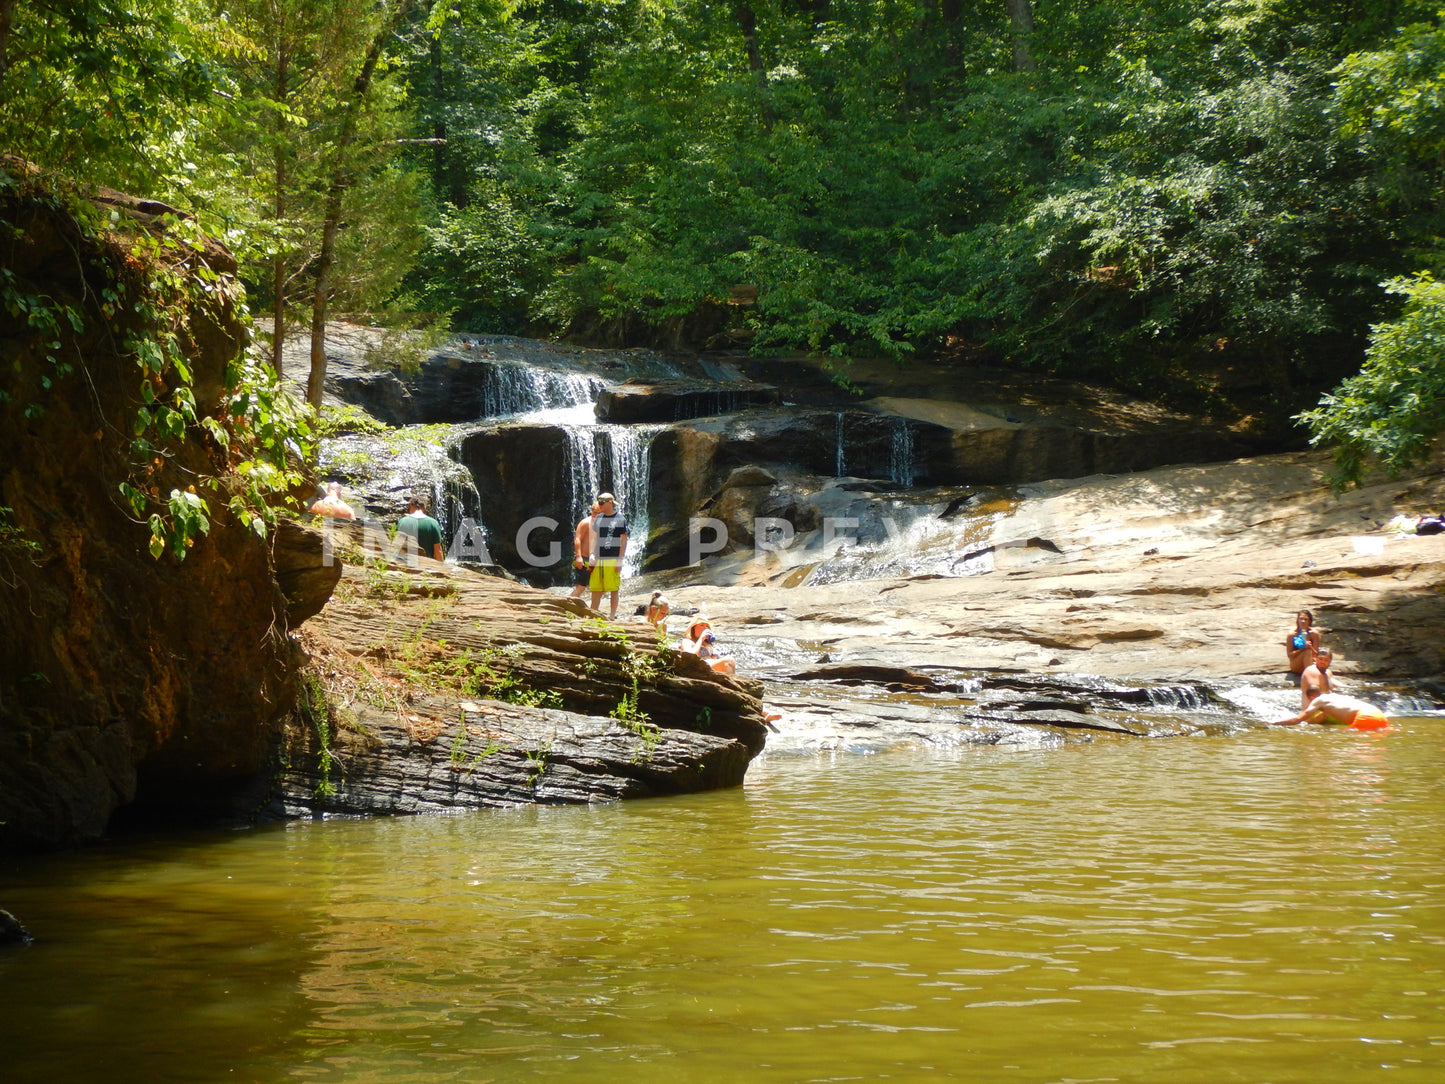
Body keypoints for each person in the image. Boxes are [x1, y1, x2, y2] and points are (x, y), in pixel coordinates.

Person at [588, 492, 628, 620]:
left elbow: (623, 540)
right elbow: (593, 538)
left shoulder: (620, 519)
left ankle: (611, 616)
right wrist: (591, 554)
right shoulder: (599, 517)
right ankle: (593, 613)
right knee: (595, 588)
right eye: (598, 503)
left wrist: (620, 560)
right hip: (598, 557)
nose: (599, 505)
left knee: (613, 588)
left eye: (602, 503)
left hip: (612, 557)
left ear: (610, 503)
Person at [1275, 692, 1390, 730]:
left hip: (1364, 716)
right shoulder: (1334, 697)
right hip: (1378, 714)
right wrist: (1308, 723)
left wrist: (1273, 723)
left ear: (1311, 698)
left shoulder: (1318, 700)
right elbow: (1321, 717)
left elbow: (1297, 719)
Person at [396, 496, 444, 561]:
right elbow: (438, 550)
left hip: (407, 566)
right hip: (427, 566)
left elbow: (398, 547)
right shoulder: (433, 523)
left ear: (411, 505)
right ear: (424, 508)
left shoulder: (402, 522)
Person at [567, 502, 600, 599]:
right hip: (584, 558)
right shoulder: (585, 523)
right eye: (594, 512)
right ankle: (567, 605)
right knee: (581, 587)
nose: (596, 515)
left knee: (597, 587)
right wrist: (578, 556)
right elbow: (577, 539)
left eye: (598, 513)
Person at [1284, 610, 1321, 684]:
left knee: (1310, 653)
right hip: (1296, 664)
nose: (1303, 621)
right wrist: (1303, 649)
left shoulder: (1314, 634)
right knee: (1307, 651)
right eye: (1300, 619)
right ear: (1297, 620)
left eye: (1305, 619)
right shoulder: (1292, 634)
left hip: (1310, 662)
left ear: (1309, 621)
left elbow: (1315, 654)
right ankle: (1310, 679)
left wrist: (1310, 647)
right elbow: (1290, 655)